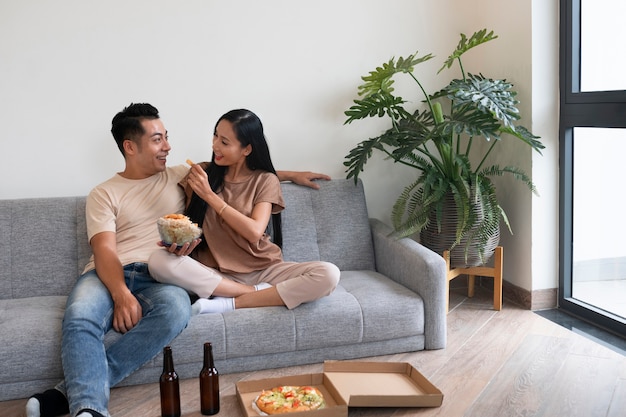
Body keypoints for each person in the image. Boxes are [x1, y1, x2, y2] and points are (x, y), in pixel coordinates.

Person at [26, 103, 330, 417]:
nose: (168, 146)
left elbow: (243, 173)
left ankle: (73, 394)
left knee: (175, 310)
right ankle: (89, 407)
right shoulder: (104, 193)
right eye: (158, 140)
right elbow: (104, 251)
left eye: (166, 137)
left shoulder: (183, 175)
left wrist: (293, 174)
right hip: (109, 273)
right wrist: (121, 294)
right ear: (130, 147)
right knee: (80, 315)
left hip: (163, 274)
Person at [147, 109, 340, 315]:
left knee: (329, 274)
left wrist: (210, 196)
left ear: (247, 149)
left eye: (225, 142)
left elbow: (254, 231)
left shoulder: (264, 181)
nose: (215, 146)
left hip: (263, 270)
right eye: (215, 136)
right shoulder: (202, 174)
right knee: (158, 261)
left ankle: (229, 303)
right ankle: (254, 293)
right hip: (216, 274)